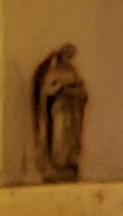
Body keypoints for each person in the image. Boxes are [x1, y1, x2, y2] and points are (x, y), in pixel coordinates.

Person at [30, 42, 88, 182]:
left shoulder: (73, 71)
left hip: (72, 110)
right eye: (67, 55)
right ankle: (57, 166)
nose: (69, 58)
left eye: (71, 56)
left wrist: (77, 90)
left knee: (71, 138)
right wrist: (60, 87)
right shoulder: (54, 72)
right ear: (61, 55)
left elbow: (82, 92)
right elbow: (47, 91)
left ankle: (69, 165)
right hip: (59, 109)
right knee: (59, 135)